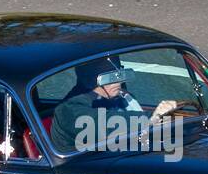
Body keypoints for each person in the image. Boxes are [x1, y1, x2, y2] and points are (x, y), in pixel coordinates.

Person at [50, 56, 179, 153]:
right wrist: (152, 118)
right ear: (88, 79)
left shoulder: (121, 97)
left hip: (122, 157)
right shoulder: (68, 110)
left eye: (119, 73)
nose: (118, 81)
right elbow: (107, 124)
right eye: (109, 76)